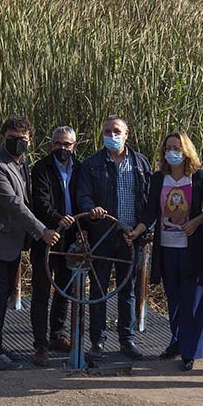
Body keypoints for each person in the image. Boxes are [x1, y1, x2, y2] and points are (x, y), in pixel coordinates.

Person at [0, 116, 61, 371]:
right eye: (12, 138)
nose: (18, 143)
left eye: (22, 139)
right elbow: (14, 205)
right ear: (2, 137)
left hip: (11, 242)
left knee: (7, 293)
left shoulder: (21, 162)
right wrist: (41, 230)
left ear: (30, 139)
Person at [129, 131, 203, 372]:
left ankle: (190, 351)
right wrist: (138, 230)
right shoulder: (159, 178)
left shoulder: (198, 178)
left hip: (192, 250)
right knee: (174, 299)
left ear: (186, 151)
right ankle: (177, 341)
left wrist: (196, 222)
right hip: (167, 249)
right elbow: (150, 212)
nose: (172, 152)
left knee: (193, 301)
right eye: (168, 148)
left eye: (177, 147)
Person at [76, 115, 152, 360]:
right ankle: (97, 342)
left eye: (116, 131)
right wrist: (92, 210)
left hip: (130, 238)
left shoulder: (140, 163)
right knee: (98, 290)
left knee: (127, 290)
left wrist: (141, 230)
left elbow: (149, 202)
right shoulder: (91, 164)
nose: (112, 135)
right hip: (102, 236)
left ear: (126, 134)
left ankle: (127, 340)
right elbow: (83, 195)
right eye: (107, 131)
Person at [28, 125, 79, 366]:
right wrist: (57, 219)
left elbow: (83, 199)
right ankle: (40, 345)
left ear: (74, 146)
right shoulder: (41, 168)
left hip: (70, 239)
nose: (62, 148)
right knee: (41, 291)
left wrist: (81, 227)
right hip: (46, 237)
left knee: (65, 289)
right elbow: (40, 201)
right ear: (51, 145)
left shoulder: (80, 169)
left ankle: (58, 334)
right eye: (58, 144)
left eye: (67, 144)